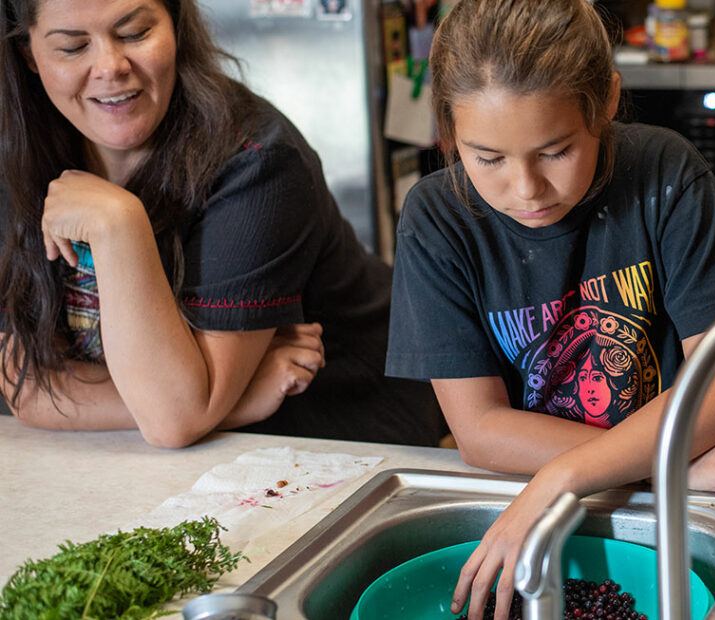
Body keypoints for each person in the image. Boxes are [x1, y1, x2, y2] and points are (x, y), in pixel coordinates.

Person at [384, 0, 715, 616]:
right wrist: (666, 465)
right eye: (487, 158)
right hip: (628, 478)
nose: (525, 189)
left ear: (604, 101)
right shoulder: (437, 218)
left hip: (636, 497)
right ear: (448, 132)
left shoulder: (666, 175)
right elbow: (482, 431)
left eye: (555, 151)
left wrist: (566, 475)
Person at [0, 0, 447, 448]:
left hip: (347, 442)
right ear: (29, 55)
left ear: (175, 25)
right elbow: (25, 386)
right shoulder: (21, 156)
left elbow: (174, 419)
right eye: (73, 47)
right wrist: (231, 403)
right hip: (189, 456)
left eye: (134, 33)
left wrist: (119, 224)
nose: (111, 66)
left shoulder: (260, 163)